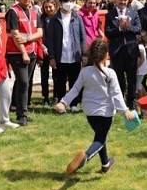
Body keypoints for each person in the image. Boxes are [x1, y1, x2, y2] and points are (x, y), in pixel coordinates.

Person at [56, 38, 136, 174]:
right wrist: (125, 111)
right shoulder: (110, 73)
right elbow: (117, 94)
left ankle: (105, 164)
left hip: (90, 113)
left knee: (100, 136)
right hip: (105, 113)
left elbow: (75, 89)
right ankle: (85, 157)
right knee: (100, 139)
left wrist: (63, 102)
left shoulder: (85, 72)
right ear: (106, 55)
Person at [6, 0, 43, 126]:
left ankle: (22, 111)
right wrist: (23, 53)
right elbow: (15, 35)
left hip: (32, 51)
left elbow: (40, 32)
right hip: (17, 53)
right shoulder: (13, 11)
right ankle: (21, 114)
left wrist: (28, 38)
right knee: (23, 82)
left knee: (25, 83)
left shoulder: (34, 12)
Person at [46, 0, 87, 110]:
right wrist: (51, 57)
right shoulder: (54, 19)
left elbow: (82, 37)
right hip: (60, 56)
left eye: (70, 1)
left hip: (74, 55)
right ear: (60, 3)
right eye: (66, 1)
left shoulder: (77, 18)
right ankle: (62, 104)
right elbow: (50, 40)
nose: (68, 3)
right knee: (60, 82)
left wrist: (84, 55)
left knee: (75, 81)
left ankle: (74, 104)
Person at [37, 0, 57, 106]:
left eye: (50, 7)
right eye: (46, 7)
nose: (48, 9)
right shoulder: (41, 18)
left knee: (56, 75)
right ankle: (45, 97)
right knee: (44, 75)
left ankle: (56, 96)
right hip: (44, 50)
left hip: (55, 50)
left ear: (55, 6)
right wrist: (43, 46)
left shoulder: (58, 18)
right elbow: (39, 34)